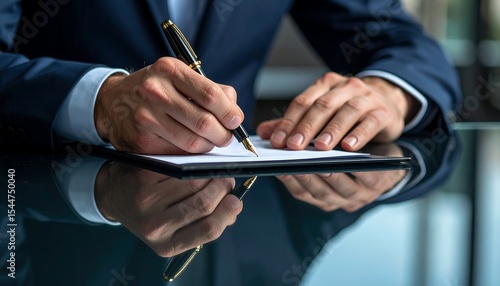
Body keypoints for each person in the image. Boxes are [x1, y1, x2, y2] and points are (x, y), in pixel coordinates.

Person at [0, 0, 461, 155]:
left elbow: (403, 44)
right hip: (46, 210)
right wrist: (99, 101)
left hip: (233, 215)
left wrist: (389, 91)